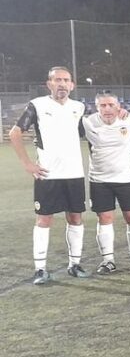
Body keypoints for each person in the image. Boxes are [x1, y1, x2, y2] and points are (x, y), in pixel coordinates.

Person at [10, 67, 90, 285]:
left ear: (72, 85)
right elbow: (15, 133)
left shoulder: (79, 107)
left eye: (66, 80)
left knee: (75, 218)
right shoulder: (37, 105)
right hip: (48, 174)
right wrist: (27, 164)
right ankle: (40, 269)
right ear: (49, 84)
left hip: (74, 173)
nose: (62, 84)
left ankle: (75, 265)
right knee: (44, 219)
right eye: (57, 80)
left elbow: (87, 131)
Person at [81, 91, 130, 273]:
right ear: (96, 107)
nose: (107, 109)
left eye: (111, 105)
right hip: (99, 180)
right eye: (103, 105)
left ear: (118, 106)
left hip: (126, 178)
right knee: (104, 219)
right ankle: (108, 260)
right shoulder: (87, 122)